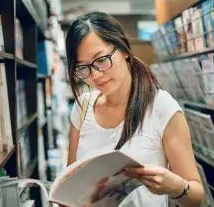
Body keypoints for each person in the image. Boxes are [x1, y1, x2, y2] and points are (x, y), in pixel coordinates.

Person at [65, 12, 204, 207]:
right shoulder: (83, 107)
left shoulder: (161, 107)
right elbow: (70, 183)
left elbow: (196, 196)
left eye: (102, 59)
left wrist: (176, 187)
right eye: (83, 68)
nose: (95, 75)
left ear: (124, 50)